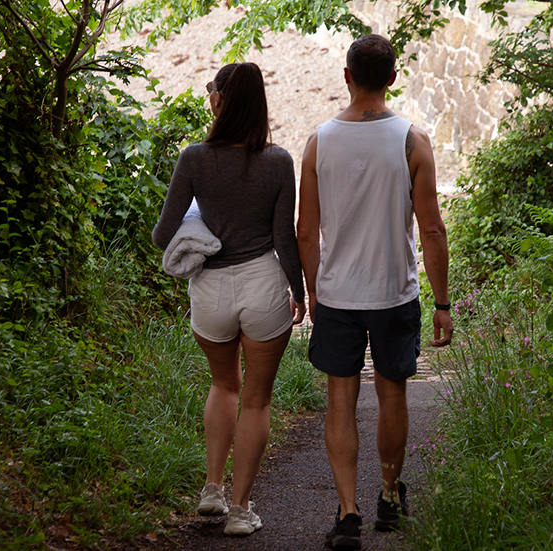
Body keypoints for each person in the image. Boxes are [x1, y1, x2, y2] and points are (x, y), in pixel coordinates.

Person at [297, 34, 454, 550]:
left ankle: (347, 513)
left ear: (346, 76)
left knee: (340, 399)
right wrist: (442, 303)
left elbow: (306, 230)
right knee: (392, 394)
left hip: (338, 295)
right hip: (394, 293)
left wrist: (314, 292)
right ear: (392, 78)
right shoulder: (413, 140)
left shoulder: (319, 142)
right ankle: (388, 495)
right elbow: (432, 230)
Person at [152, 62, 307, 537]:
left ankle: (212, 490)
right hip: (263, 284)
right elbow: (285, 238)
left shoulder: (193, 158)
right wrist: (299, 293)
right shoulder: (279, 161)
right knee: (257, 401)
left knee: (224, 386)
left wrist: (199, 230)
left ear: (219, 99)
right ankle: (240, 512)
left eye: (210, 90)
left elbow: (163, 235)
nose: (209, 96)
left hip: (212, 291)